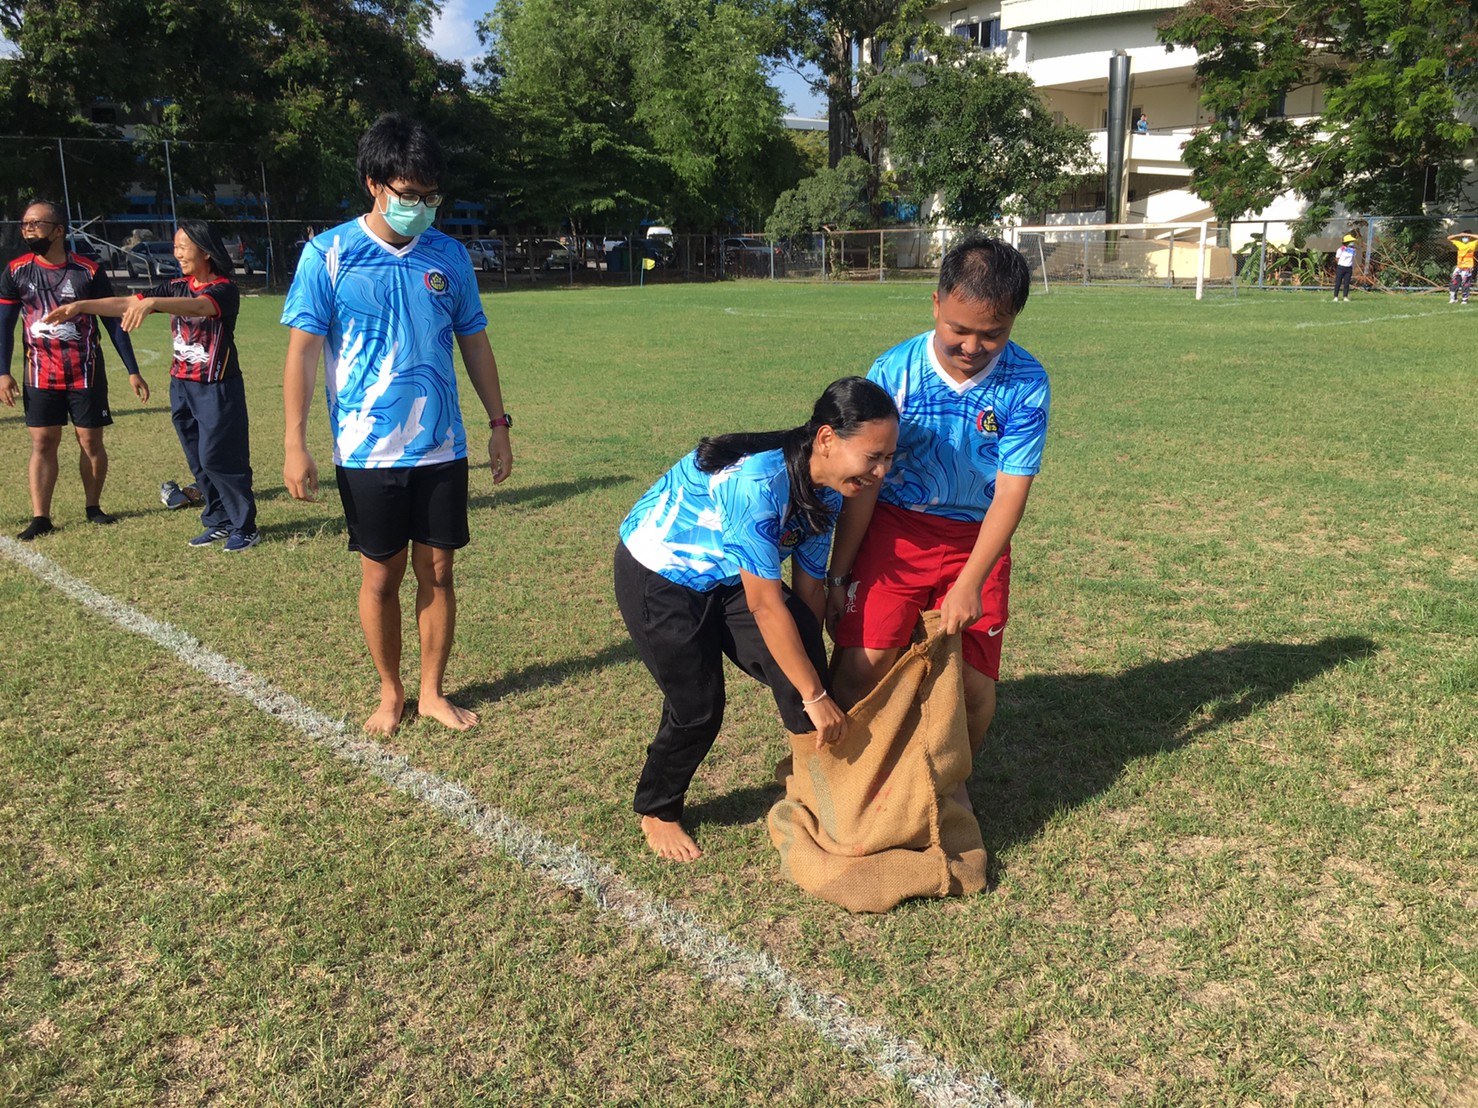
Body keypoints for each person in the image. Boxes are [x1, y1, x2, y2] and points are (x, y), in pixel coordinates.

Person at [281, 113, 513, 735]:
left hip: (441, 445)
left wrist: (498, 423)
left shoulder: (449, 255)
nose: (420, 206)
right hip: (366, 450)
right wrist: (293, 442)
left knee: (438, 570)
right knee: (379, 575)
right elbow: (303, 352)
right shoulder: (327, 255)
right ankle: (390, 692)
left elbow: (476, 342)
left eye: (430, 195)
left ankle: (433, 691)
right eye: (409, 195)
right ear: (373, 184)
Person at [615, 377, 899, 862]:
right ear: (827, 439)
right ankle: (658, 810)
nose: (881, 471)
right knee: (699, 706)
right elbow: (766, 605)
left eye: (888, 457)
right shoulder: (756, 483)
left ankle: (810, 773)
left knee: (800, 648)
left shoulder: (829, 490)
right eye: (873, 457)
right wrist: (816, 695)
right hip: (661, 573)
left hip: (732, 577)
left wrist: (810, 682)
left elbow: (805, 592)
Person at [829, 236, 1049, 761]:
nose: (972, 346)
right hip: (895, 528)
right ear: (936, 303)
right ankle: (832, 772)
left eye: (992, 333)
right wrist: (839, 574)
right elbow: (866, 483)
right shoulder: (894, 373)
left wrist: (971, 581)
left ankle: (947, 789)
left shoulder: (1026, 383)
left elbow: (1010, 494)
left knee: (973, 690)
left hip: (978, 541)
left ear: (1014, 319)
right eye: (959, 329)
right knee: (864, 663)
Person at [44, 220, 259, 550]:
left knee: (219, 457)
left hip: (216, 387)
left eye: (183, 247)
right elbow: (127, 303)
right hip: (182, 386)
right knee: (198, 459)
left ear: (205, 251)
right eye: (175, 247)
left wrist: (153, 303)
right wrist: (81, 306)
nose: (177, 253)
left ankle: (245, 527)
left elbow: (202, 307)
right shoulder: (176, 285)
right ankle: (219, 520)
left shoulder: (223, 289)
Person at [0, 198, 150, 540]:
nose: (29, 229)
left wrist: (132, 369)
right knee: (43, 441)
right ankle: (41, 517)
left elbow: (114, 323)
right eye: (25, 224)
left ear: (59, 230)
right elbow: (4, 326)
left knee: (90, 441)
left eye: (36, 223)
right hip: (39, 374)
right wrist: (2, 372)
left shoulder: (88, 271)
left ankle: (93, 507)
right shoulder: (16, 271)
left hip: (85, 372)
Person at [1449, 231, 1477, 305]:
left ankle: (1464, 299)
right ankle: (1453, 298)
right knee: (1454, 281)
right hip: (1459, 266)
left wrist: (1469, 234)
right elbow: (1449, 238)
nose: (1464, 238)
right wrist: (1459, 234)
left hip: (1468, 267)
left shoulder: (1472, 243)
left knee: (1465, 283)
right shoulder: (1459, 243)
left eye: (1466, 237)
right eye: (1463, 237)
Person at [1333, 233, 1357, 303]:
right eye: (1350, 242)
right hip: (1341, 267)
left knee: (1346, 283)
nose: (1352, 243)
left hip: (1349, 268)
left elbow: (1353, 257)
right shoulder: (1340, 249)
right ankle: (1336, 297)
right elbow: (1337, 258)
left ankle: (1345, 297)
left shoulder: (1353, 250)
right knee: (1338, 283)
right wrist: (1340, 264)